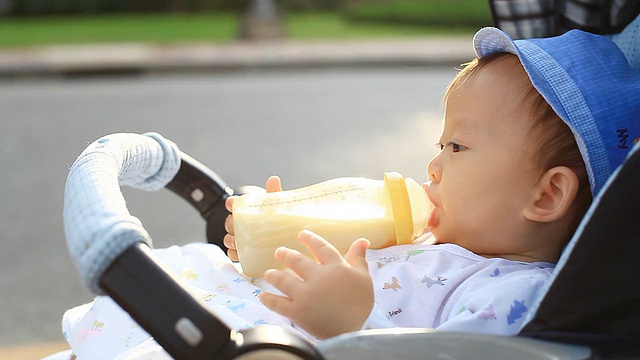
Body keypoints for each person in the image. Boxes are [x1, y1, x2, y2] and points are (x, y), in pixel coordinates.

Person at [59, 27, 640, 359]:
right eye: (439, 146)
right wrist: (280, 235)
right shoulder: (426, 235)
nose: (432, 168)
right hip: (240, 315)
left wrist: (354, 321)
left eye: (457, 149)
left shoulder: (514, 297)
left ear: (544, 197)